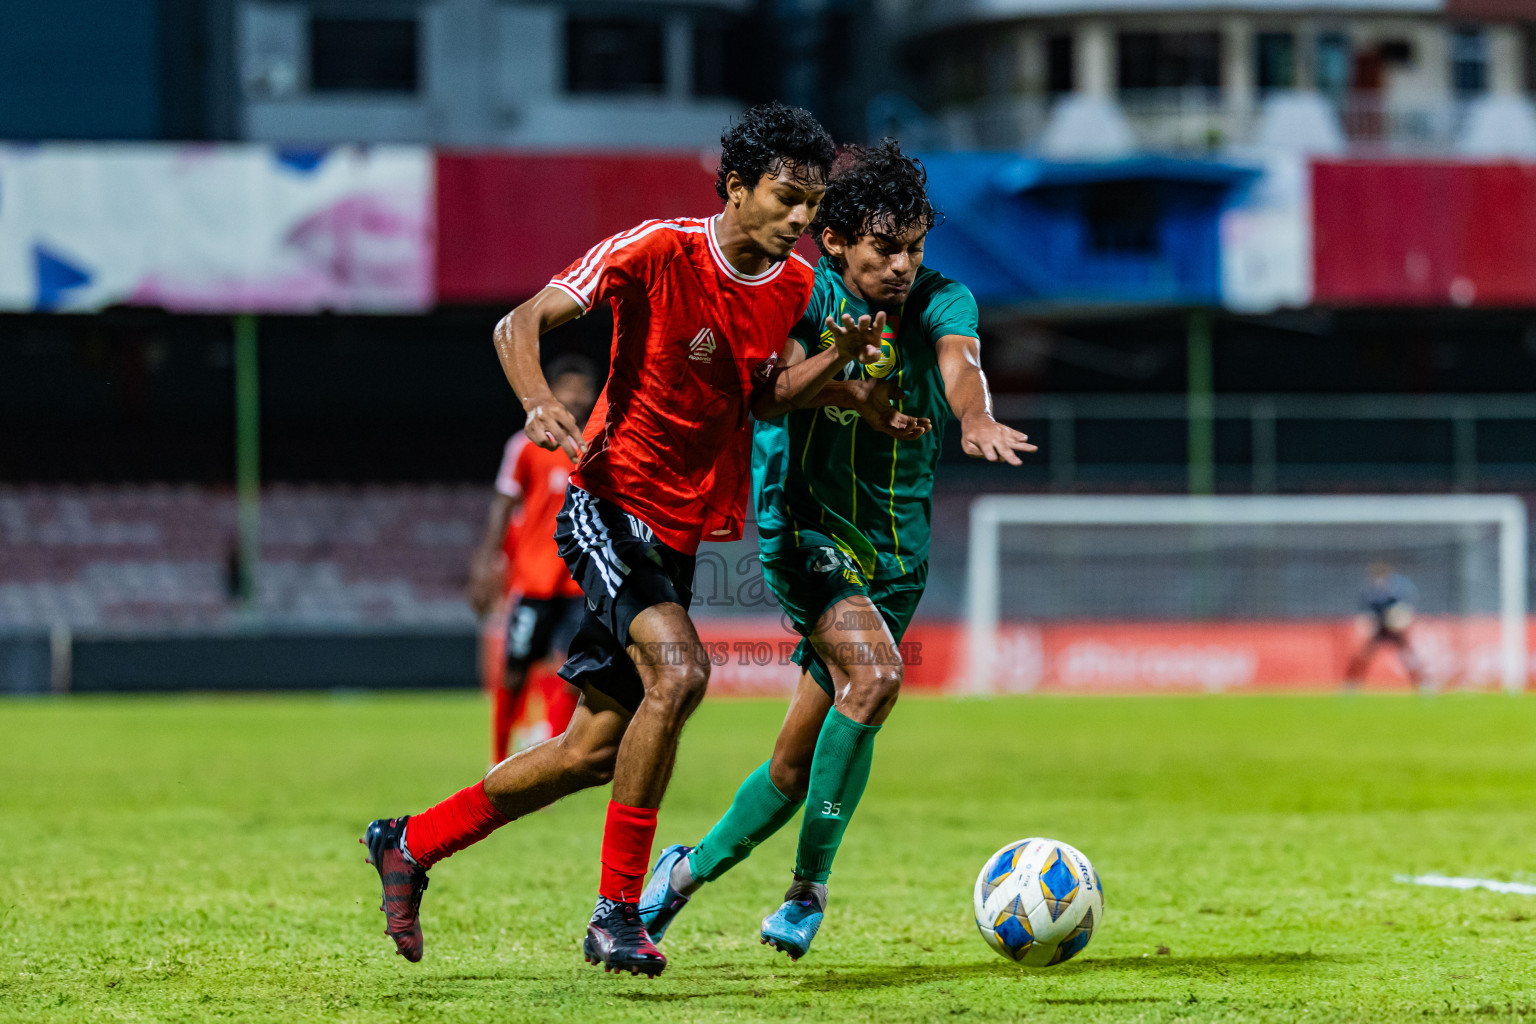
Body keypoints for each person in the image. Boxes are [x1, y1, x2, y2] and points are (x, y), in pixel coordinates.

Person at [361, 103, 918, 978]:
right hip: (609, 503)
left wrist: (838, 367)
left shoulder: (794, 286)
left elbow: (765, 395)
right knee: (682, 673)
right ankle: (617, 914)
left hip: (678, 537)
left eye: (812, 203)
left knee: (589, 752)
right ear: (736, 188)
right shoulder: (656, 249)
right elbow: (518, 323)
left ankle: (410, 842)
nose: (802, 218)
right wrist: (537, 401)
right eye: (787, 197)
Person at [638, 140, 1036, 960]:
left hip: (897, 552)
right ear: (836, 242)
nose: (902, 265)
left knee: (793, 769)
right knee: (878, 676)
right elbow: (775, 392)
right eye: (884, 248)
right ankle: (807, 890)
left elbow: (962, 360)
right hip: (807, 527)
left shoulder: (940, 298)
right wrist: (846, 370)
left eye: (913, 247)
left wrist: (973, 415)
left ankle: (680, 875)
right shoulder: (800, 293)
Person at [467, 356, 597, 763]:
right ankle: (498, 761)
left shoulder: (598, 447)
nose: (576, 396)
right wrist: (486, 563)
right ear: (552, 394)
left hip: (581, 581)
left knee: (577, 672)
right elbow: (503, 504)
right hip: (534, 579)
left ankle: (551, 760)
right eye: (568, 388)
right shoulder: (524, 446)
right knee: (515, 671)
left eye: (583, 389)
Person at [1345, 563, 1426, 689]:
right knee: (1364, 655)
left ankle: (1421, 684)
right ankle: (1353, 683)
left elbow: (1406, 609)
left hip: (1395, 629)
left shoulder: (1398, 590)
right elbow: (1366, 613)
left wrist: (1400, 619)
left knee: (1407, 656)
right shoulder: (1370, 591)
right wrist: (1367, 623)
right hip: (1379, 628)